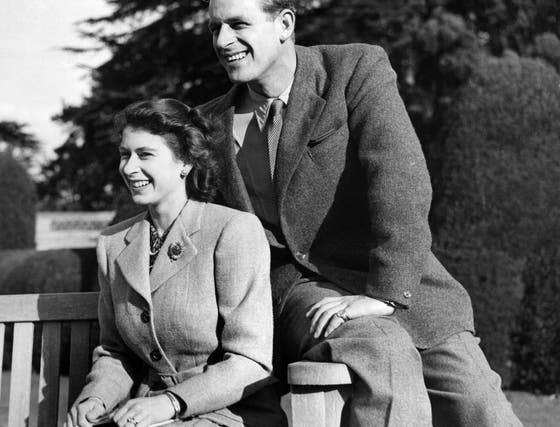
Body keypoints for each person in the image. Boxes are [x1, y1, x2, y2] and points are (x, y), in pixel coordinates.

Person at [198, 0, 523, 426]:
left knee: (483, 408)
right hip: (299, 293)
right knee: (380, 351)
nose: (223, 41)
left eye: (238, 25)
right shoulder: (207, 125)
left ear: (285, 23)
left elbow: (398, 180)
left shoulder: (353, 70)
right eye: (214, 28)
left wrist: (383, 294)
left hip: (400, 286)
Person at [66, 99, 286, 427]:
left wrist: (171, 403)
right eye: (125, 154)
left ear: (183, 161)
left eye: (145, 155)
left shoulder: (232, 230)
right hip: (144, 415)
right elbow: (116, 352)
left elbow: (250, 360)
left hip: (231, 413)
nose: (128, 168)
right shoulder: (112, 244)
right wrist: (96, 398)